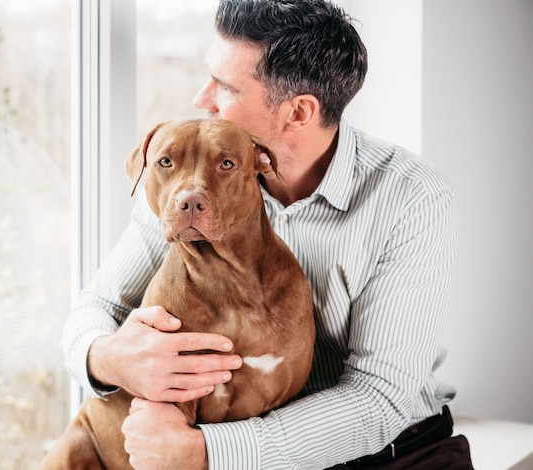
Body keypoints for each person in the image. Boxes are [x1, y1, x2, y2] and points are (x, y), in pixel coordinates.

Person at [63, 1, 474, 468]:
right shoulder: (188, 187)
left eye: (226, 87)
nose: (203, 99)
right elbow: (94, 308)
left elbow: (381, 396)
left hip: (396, 454)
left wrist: (206, 452)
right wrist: (110, 359)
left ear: (298, 112)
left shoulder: (412, 198)